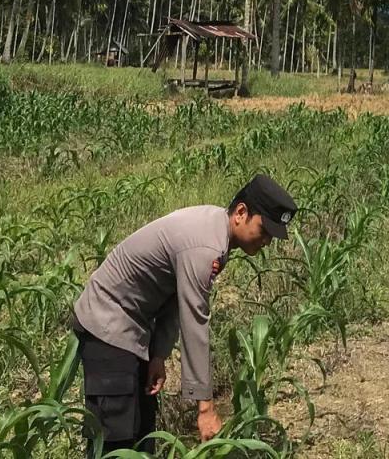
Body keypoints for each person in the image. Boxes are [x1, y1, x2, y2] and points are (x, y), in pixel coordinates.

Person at [71, 174, 297, 453]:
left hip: (132, 326)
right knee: (115, 440)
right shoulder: (205, 247)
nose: (267, 242)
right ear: (241, 213)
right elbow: (194, 321)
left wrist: (158, 354)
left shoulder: (215, 229)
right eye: (264, 231)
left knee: (141, 437)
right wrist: (205, 407)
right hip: (107, 323)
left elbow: (174, 298)